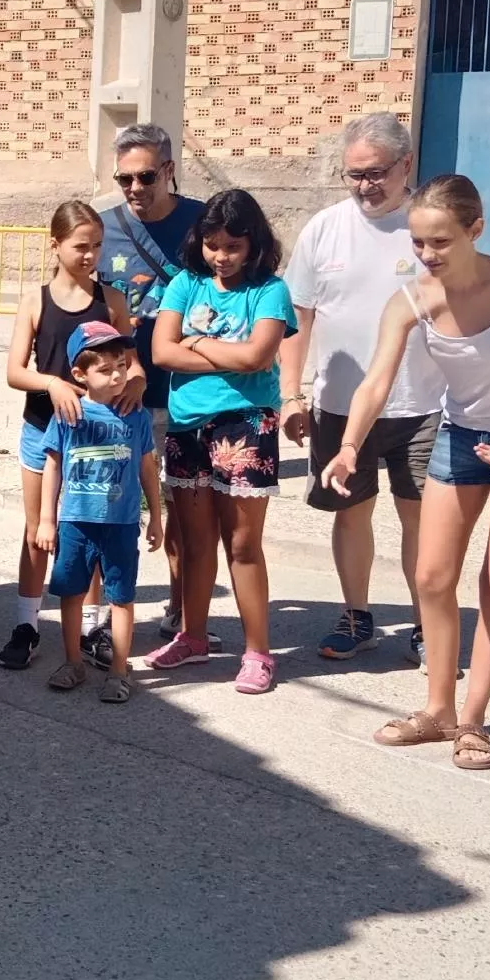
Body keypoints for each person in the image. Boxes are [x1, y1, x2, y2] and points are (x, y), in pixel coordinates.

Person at [324, 174, 490, 772]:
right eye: (418, 243)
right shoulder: (413, 298)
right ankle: (437, 709)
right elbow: (376, 381)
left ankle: (473, 720)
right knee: (433, 577)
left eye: (440, 242)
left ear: (476, 229)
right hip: (461, 436)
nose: (428, 256)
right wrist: (349, 446)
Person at [280, 111, 447, 667]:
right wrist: (291, 394)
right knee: (351, 514)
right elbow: (297, 317)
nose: (365, 186)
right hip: (340, 406)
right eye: (354, 175)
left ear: (406, 165)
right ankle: (358, 617)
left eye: (376, 173)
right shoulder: (324, 229)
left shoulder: (429, 229)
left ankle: (426, 624)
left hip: (423, 405)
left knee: (419, 517)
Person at [147, 189, 297, 695]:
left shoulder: (270, 290)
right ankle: (192, 636)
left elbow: (258, 357)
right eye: (212, 244)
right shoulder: (185, 284)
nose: (221, 255)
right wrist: (220, 352)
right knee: (194, 540)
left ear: (254, 243)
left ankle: (257, 652)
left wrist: (198, 343)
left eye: (233, 245)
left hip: (246, 425)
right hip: (188, 427)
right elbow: (162, 353)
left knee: (242, 543)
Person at [0, 200, 132, 670]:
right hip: (42, 430)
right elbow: (15, 371)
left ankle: (91, 624)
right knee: (39, 529)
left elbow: (131, 369)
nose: (90, 255)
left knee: (90, 527)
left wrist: (131, 389)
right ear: (55, 246)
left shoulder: (112, 301)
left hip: (95, 438)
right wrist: (52, 382)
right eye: (80, 247)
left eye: (97, 246)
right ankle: (27, 623)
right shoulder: (36, 300)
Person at [95, 124, 206, 644]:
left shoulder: (203, 223)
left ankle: (181, 612)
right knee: (106, 506)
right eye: (124, 179)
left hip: (186, 392)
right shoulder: (102, 227)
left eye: (144, 177)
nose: (134, 188)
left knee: (183, 511)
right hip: (119, 397)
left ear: (168, 170)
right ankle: (100, 616)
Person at [33, 321, 163, 703]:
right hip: (75, 522)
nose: (118, 375)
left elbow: (147, 468)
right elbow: (52, 466)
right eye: (105, 370)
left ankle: (120, 671)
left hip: (121, 525)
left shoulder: (136, 415)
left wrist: (155, 515)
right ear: (80, 374)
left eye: (122, 365)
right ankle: (73, 662)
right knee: (71, 595)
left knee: (121, 597)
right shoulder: (68, 413)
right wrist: (46, 519)